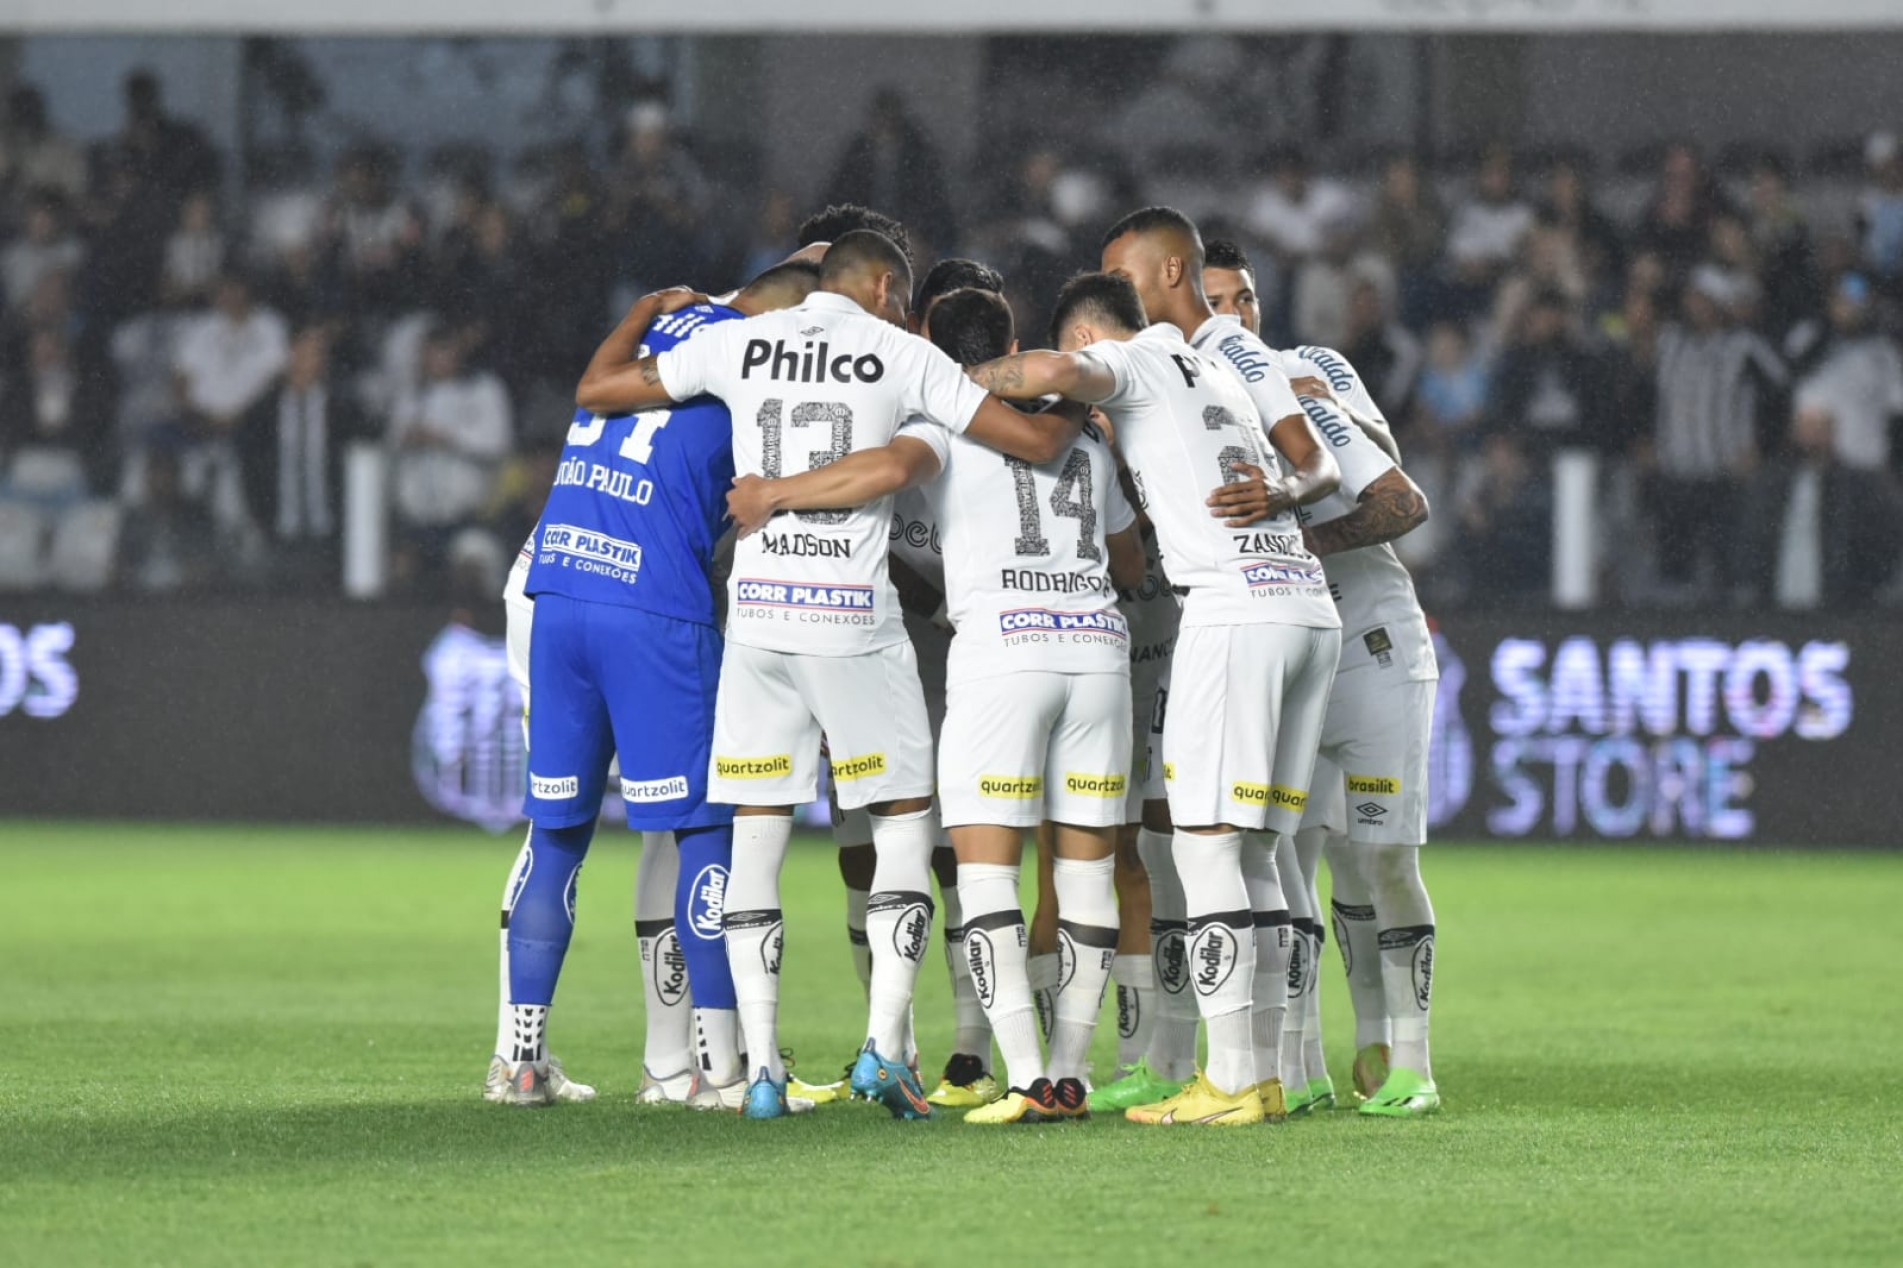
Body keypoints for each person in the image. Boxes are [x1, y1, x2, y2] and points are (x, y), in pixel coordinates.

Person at [573, 229, 1082, 1119]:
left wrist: (640, 315)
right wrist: (1081, 397)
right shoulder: (900, 351)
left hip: (759, 622)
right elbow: (1026, 446)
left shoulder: (734, 341)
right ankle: (885, 1047)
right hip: (851, 623)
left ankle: (761, 1069)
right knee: (902, 824)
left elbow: (600, 390)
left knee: (757, 839)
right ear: (884, 286)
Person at [729, 286, 1148, 1124]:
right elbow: (1130, 569)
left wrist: (775, 493)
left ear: (925, 345)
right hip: (1098, 660)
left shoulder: (943, 425)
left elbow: (882, 473)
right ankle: (1072, 1074)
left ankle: (1024, 1076)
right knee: (1085, 872)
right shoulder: (1088, 438)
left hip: (1001, 662)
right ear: (1015, 341)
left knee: (985, 872)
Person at [964, 242, 1341, 1127]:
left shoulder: (1129, 357)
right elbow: (1312, 461)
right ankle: (1270, 1070)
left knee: (1206, 847)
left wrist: (947, 374)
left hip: (1233, 611)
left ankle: (1232, 1079)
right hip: (1304, 605)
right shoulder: (1224, 364)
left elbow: (1051, 369)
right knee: (1257, 855)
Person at [484, 259, 823, 1108]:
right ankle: (712, 1069)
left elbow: (595, 391)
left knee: (556, 829)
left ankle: (518, 1061)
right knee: (701, 828)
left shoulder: (661, 328)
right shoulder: (763, 358)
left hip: (556, 587)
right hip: (654, 608)